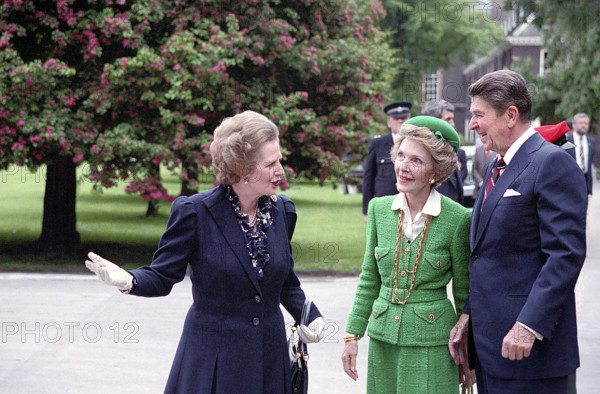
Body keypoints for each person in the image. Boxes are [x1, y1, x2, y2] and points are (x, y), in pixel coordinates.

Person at [85, 111, 325, 393]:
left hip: (268, 360)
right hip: (214, 360)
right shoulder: (195, 213)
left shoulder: (283, 212)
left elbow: (284, 281)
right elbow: (163, 275)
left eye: (280, 161)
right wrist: (129, 280)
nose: (281, 171)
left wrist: (310, 315)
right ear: (243, 168)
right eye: (270, 164)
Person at [449, 70, 587, 393]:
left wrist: (529, 325)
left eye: (478, 115)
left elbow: (565, 256)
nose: (472, 124)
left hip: (532, 357)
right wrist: (469, 315)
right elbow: (490, 255)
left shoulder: (551, 163)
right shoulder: (499, 166)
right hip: (491, 352)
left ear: (510, 115)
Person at [343, 116, 474, 392]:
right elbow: (369, 277)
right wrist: (352, 335)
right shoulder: (379, 209)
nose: (403, 166)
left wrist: (468, 352)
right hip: (383, 340)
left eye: (416, 160)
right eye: (401, 155)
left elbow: (465, 292)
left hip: (434, 342)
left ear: (435, 172)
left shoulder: (458, 218)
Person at [362, 101, 412, 222]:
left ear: (409, 120)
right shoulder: (377, 144)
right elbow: (368, 177)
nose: (400, 121)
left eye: (404, 118)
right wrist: (366, 210)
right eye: (396, 118)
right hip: (384, 204)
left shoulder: (416, 144)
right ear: (389, 122)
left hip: (411, 204)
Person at [420, 100, 468, 205]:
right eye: (448, 119)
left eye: (452, 119)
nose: (453, 124)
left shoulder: (453, 150)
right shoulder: (421, 152)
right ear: (434, 122)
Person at [567, 113, 596, 195]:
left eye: (586, 123)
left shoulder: (591, 142)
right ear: (574, 124)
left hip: (586, 183)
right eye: (581, 123)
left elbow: (589, 165)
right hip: (570, 182)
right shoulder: (566, 140)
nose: (583, 125)